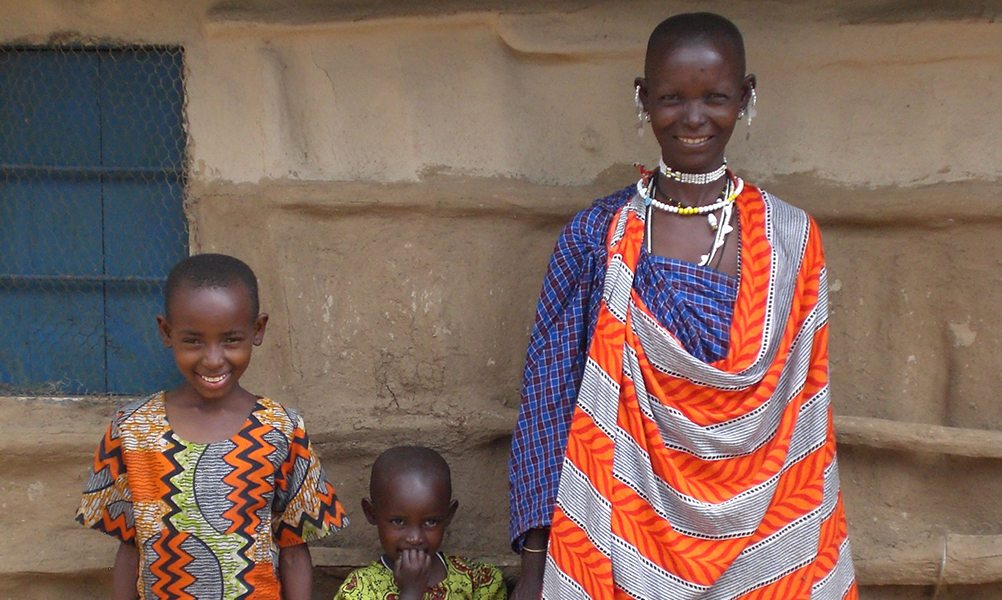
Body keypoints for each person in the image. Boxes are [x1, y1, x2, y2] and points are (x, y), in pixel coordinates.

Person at [508, 12, 857, 600]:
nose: (693, 118)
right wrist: (537, 560)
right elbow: (550, 402)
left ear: (747, 97)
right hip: (619, 541)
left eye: (716, 97)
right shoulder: (599, 237)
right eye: (671, 98)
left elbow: (805, 419)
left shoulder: (794, 241)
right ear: (642, 98)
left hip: (766, 550)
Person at [76, 253, 348, 600]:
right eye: (193, 340)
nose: (213, 358)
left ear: (258, 330)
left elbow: (294, 550)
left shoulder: (281, 429)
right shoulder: (132, 430)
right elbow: (130, 548)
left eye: (231, 340)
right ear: (166, 332)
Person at [334, 446, 507, 600]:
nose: (415, 538)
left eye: (430, 522)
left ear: (449, 515)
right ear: (371, 513)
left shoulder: (477, 582)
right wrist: (411, 593)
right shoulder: (361, 590)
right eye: (398, 521)